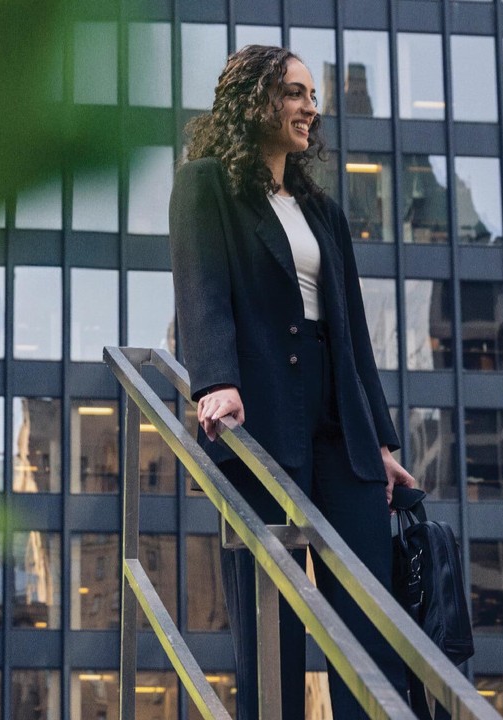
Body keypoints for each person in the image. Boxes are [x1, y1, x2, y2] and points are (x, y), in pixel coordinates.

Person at [168, 45, 413, 720]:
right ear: (257, 101)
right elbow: (202, 290)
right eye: (297, 93)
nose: (312, 107)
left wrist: (383, 443)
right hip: (263, 413)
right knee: (269, 621)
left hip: (341, 423)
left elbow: (354, 335)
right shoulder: (207, 184)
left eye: (313, 95)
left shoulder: (322, 210)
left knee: (368, 618)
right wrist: (215, 380)